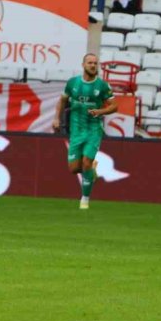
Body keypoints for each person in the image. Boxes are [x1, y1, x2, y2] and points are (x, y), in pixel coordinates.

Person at [52, 54, 118, 210]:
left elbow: (114, 106)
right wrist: (56, 118)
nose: (93, 65)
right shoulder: (72, 83)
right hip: (76, 131)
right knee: (74, 168)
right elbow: (62, 100)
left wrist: (100, 111)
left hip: (93, 130)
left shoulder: (102, 86)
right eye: (90, 63)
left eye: (95, 63)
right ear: (83, 65)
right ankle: (91, 170)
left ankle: (85, 200)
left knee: (86, 163)